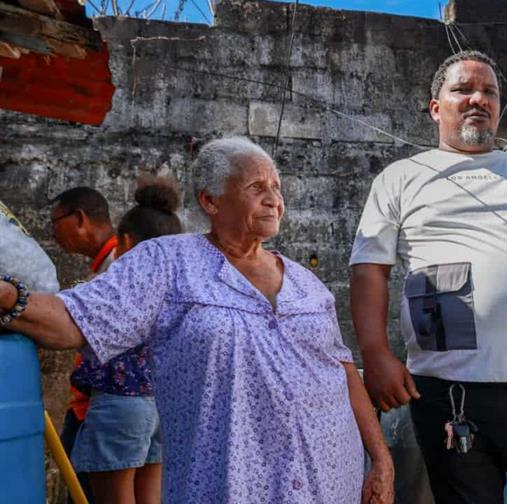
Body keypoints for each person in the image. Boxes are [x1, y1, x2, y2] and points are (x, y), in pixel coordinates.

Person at [0, 137, 394, 504]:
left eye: (277, 187)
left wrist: (380, 459)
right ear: (210, 200)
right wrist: (10, 298)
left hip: (331, 481)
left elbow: (342, 368)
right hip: (230, 488)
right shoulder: (167, 263)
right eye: (256, 187)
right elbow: (75, 319)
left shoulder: (307, 283)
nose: (274, 200)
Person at [350, 50, 507, 504]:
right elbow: (369, 269)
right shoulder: (400, 178)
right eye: (463, 89)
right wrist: (375, 353)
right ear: (435, 107)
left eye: (489, 92)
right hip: (449, 396)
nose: (478, 99)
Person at [68, 178, 181, 504]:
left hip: (121, 401)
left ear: (126, 242)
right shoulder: (179, 286)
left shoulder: (121, 284)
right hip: (163, 405)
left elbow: (76, 320)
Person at [50, 186, 119, 504]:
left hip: (101, 408)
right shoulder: (108, 266)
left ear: (79, 218)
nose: (52, 233)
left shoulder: (118, 267)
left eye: (55, 222)